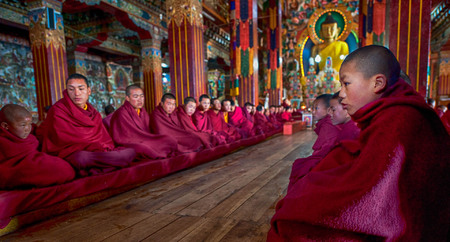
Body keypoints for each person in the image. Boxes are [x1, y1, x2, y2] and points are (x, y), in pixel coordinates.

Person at [269, 45, 450, 241]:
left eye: (346, 83)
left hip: (411, 225)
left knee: (291, 219)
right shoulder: (392, 112)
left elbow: (370, 196)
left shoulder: (400, 119)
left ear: (377, 83)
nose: (341, 94)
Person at [38, 74, 136, 176]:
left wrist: (98, 147)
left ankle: (100, 165)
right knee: (81, 158)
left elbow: (105, 140)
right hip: (74, 153)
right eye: (71, 89)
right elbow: (61, 141)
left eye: (81, 89)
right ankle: (110, 163)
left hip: (97, 152)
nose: (76, 93)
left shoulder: (94, 113)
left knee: (131, 151)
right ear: (67, 91)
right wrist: (91, 146)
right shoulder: (58, 111)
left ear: (88, 91)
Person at [0, 104, 75, 189]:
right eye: (23, 125)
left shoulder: (29, 136)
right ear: (5, 126)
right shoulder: (3, 142)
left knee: (64, 167)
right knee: (62, 170)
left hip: (33, 161)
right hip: (14, 170)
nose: (27, 128)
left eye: (30, 124)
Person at [109, 85, 178, 159]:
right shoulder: (121, 113)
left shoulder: (143, 111)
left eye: (142, 96)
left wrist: (151, 138)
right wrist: (144, 140)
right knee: (143, 148)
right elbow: (124, 137)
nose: (140, 100)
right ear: (127, 98)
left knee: (168, 139)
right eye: (136, 97)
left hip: (145, 139)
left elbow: (148, 131)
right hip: (131, 143)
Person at [287, 94, 340, 189]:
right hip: (329, 157)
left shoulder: (328, 125)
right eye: (313, 108)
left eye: (316, 108)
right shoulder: (326, 123)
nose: (313, 111)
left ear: (328, 110)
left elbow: (325, 150)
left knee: (300, 167)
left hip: (331, 161)